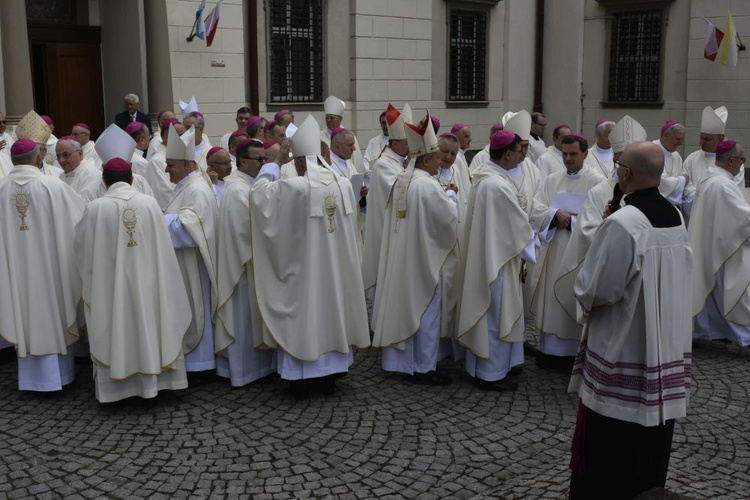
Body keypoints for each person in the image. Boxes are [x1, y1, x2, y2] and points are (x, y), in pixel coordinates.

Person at [568, 141, 693, 500]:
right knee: (648, 455)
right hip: (663, 349)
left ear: (624, 174)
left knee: (611, 460)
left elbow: (597, 289)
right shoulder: (675, 216)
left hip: (625, 351)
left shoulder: (623, 223)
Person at [249, 115, 370, 398]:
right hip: (335, 271)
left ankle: (302, 378)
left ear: (300, 162)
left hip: (305, 272)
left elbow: (259, 196)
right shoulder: (341, 184)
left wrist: (276, 162)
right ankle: (331, 374)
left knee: (307, 314)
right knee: (331, 312)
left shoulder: (296, 187)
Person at [74, 154, 190, 403]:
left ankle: (120, 389)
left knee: (116, 326)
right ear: (131, 178)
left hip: (110, 288)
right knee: (152, 323)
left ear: (104, 181)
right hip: (150, 282)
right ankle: (157, 382)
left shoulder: (95, 208)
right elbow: (163, 248)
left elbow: (81, 250)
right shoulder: (149, 204)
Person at [372, 111, 459, 386]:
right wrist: (453, 196)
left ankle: (405, 361)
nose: (440, 163)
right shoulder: (426, 185)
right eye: (436, 159)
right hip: (424, 261)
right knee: (426, 311)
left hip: (403, 258)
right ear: (426, 159)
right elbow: (447, 218)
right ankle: (424, 367)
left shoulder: (403, 180)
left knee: (407, 307)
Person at [0, 138, 86, 391]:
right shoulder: (52, 186)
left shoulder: (2, 189)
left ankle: (32, 379)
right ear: (38, 158)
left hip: (15, 273)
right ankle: (60, 377)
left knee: (22, 310)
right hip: (51, 273)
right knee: (54, 311)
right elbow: (80, 219)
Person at [456, 130, 536, 392]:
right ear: (509, 154)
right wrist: (536, 236)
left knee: (493, 312)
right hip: (497, 263)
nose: (522, 155)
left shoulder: (485, 179)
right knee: (495, 312)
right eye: (519, 151)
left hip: (490, 256)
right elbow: (518, 227)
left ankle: (493, 366)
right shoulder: (497, 185)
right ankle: (490, 374)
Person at [554, 115, 647, 324]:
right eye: (623, 161)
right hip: (610, 274)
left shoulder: (653, 193)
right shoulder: (601, 191)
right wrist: (611, 227)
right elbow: (587, 231)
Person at [530, 133, 604, 368]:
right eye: (564, 154)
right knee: (552, 295)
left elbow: (600, 218)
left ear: (585, 154)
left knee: (571, 294)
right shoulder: (552, 179)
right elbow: (536, 207)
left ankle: (573, 355)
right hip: (554, 248)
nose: (568, 159)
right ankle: (550, 351)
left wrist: (572, 221)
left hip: (578, 250)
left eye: (573, 154)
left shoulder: (597, 182)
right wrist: (555, 215)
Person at [214, 138, 277, 387]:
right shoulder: (236, 190)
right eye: (259, 159)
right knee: (244, 321)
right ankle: (243, 372)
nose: (263, 163)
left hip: (257, 266)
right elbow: (244, 233)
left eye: (265, 159)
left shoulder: (254, 184)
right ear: (242, 161)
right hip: (243, 269)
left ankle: (262, 368)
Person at [163, 123, 219, 374]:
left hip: (194, 266)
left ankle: (200, 364)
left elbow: (189, 229)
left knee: (197, 310)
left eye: (171, 165)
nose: (166, 170)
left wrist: (157, 219)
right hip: (186, 264)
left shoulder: (196, 188)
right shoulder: (188, 184)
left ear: (186, 164)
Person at [690, 140, 750, 346]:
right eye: (742, 159)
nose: (742, 164)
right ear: (732, 160)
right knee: (734, 293)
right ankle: (743, 335)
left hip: (713, 247)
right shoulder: (722, 185)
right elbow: (742, 220)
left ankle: (714, 331)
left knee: (716, 292)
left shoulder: (709, 179)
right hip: (724, 251)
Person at [361, 104, 411, 297]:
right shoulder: (383, 164)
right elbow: (397, 191)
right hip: (386, 228)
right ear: (395, 143)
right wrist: (409, 172)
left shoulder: (400, 161)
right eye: (407, 142)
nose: (410, 146)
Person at [14, 110, 62, 177]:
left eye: (38, 149)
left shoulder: (58, 173)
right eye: (31, 150)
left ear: (45, 151)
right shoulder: (12, 177)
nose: (35, 154)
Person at [654, 120, 691, 207]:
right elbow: (659, 183)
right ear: (665, 135)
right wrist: (683, 179)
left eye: (682, 139)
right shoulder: (652, 151)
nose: (681, 143)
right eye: (678, 139)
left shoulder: (676, 155)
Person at [56, 135, 102, 203]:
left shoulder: (91, 173)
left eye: (66, 155)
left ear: (80, 154)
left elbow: (84, 204)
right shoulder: (61, 176)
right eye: (58, 156)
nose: (61, 160)